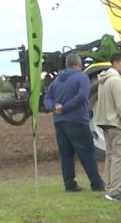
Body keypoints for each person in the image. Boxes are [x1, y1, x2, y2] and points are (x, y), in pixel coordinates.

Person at [43, 52, 105, 193]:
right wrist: (65, 108)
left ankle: (69, 184)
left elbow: (47, 97)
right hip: (77, 120)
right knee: (87, 152)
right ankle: (96, 183)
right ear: (80, 64)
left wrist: (54, 107)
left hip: (59, 121)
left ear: (66, 64)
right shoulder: (81, 77)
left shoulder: (57, 80)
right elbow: (82, 97)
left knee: (66, 155)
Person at [94, 53, 121, 203]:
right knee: (120, 157)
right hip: (116, 123)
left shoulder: (103, 80)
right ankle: (116, 191)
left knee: (111, 157)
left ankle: (110, 189)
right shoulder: (116, 81)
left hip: (105, 122)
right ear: (115, 63)